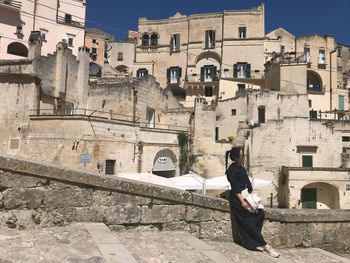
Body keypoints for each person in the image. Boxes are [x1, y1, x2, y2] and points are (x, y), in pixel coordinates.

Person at [225, 147, 280, 258]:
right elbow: (235, 188)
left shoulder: (241, 167)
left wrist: (252, 196)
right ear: (236, 158)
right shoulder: (231, 170)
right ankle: (265, 246)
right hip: (238, 199)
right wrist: (242, 202)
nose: (244, 157)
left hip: (247, 196)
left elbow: (247, 182)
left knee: (260, 213)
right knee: (248, 221)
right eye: (242, 156)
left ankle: (251, 242)